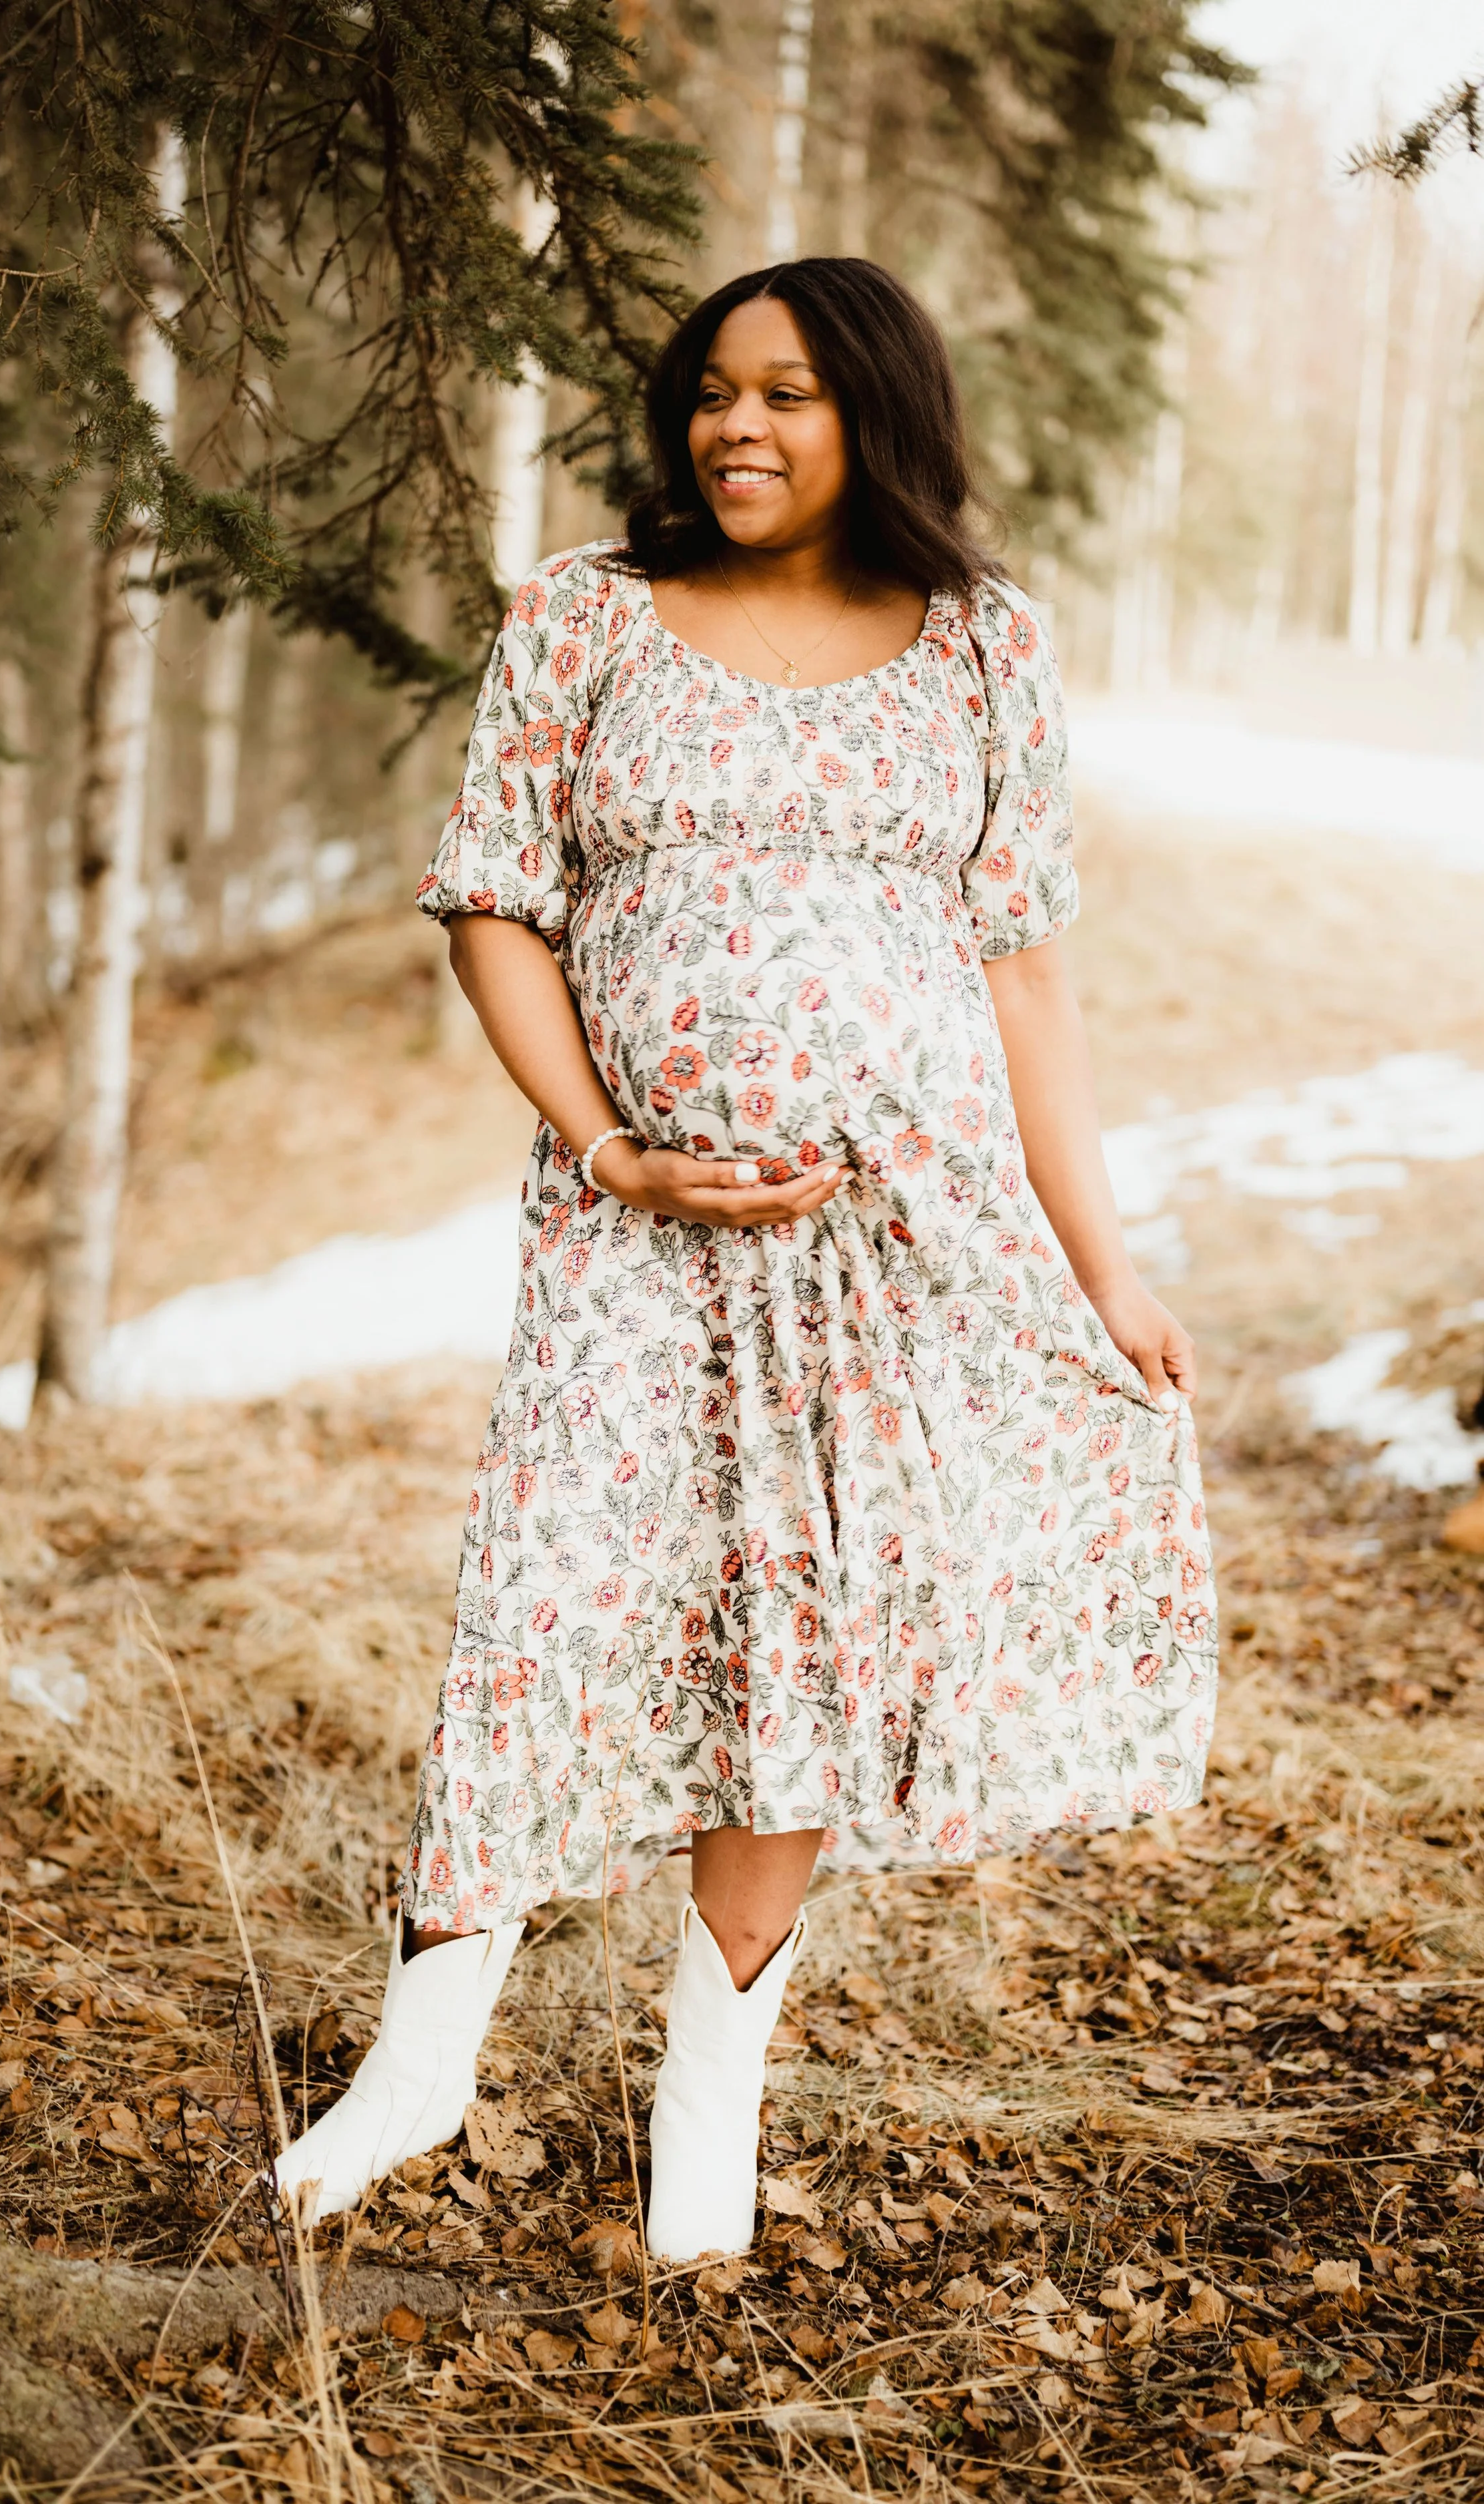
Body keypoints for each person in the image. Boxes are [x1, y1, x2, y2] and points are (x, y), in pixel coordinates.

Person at [274, 256, 1217, 2261]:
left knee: (794, 1646)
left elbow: (1027, 976)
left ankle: (707, 2109)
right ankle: (425, 2053)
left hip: (893, 1238)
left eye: (787, 392)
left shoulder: (984, 644)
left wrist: (1105, 1269)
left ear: (878, 411)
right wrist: (611, 1145)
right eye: (713, 389)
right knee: (553, 1593)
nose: (738, 426)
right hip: (631, 1235)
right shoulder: (584, 613)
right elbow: (494, 904)